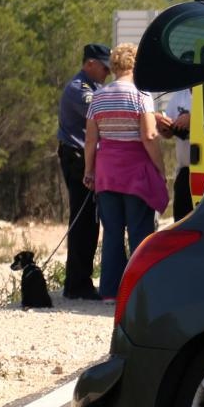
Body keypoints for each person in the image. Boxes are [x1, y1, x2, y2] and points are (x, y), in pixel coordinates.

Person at [83, 43, 169, 303]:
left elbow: (91, 139)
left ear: (114, 66)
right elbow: (149, 136)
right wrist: (160, 169)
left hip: (107, 173)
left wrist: (89, 171)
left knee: (112, 233)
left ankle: (110, 291)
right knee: (139, 231)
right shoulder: (141, 95)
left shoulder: (98, 96)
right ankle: (139, 290)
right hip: (135, 173)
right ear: (135, 65)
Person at [55, 43, 109, 300]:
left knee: (90, 221)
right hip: (77, 159)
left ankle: (81, 280)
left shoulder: (95, 87)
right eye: (104, 68)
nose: (107, 73)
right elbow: (102, 114)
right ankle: (76, 285)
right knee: (82, 221)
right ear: (89, 64)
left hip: (86, 159)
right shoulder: (79, 89)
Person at [159, 83, 204, 220]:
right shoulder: (179, 96)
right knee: (182, 221)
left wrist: (195, 118)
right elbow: (168, 133)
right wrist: (164, 127)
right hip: (185, 171)